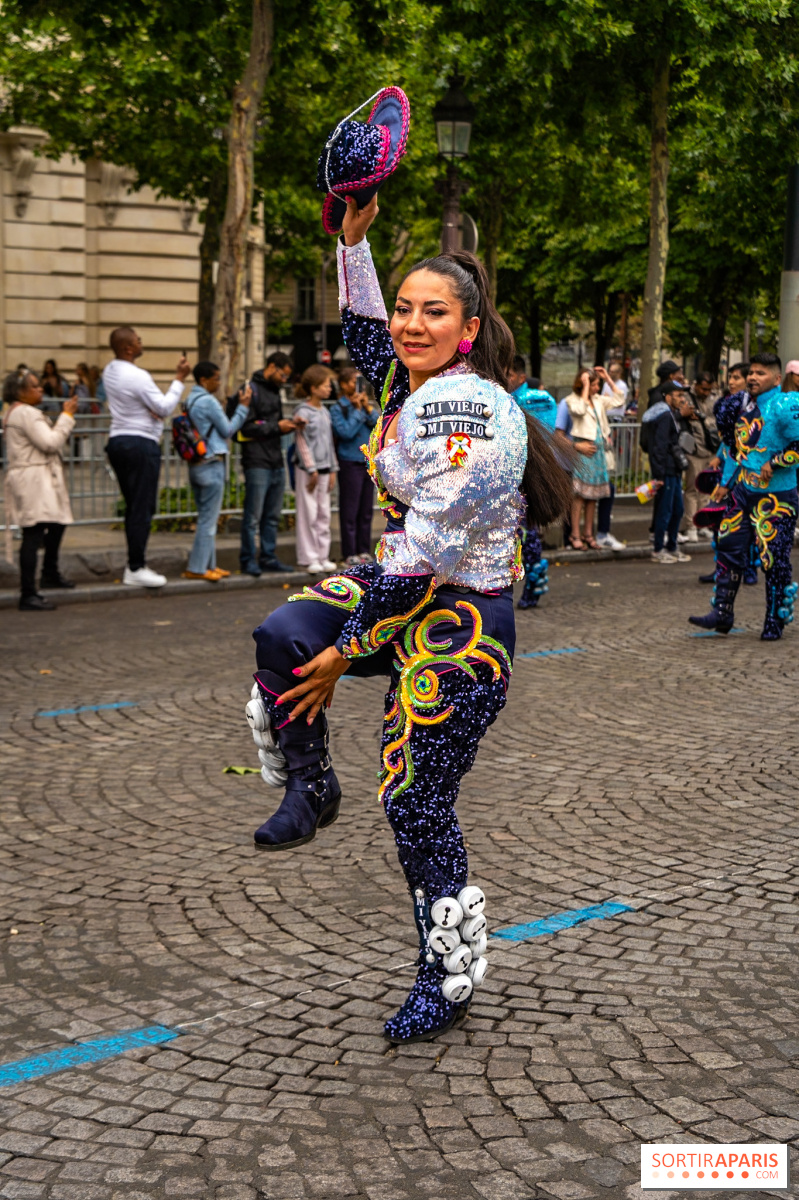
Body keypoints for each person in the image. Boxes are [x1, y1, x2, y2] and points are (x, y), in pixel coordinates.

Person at [246, 192, 570, 1045]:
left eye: (433, 312)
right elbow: (366, 337)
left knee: (416, 802)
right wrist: (352, 243)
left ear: (468, 330)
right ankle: (311, 785)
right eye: (404, 308)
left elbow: (426, 552)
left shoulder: (470, 409)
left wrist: (349, 649)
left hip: (459, 620)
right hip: (398, 583)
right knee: (282, 637)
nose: (409, 324)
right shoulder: (404, 381)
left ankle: (447, 973)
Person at [689, 353, 799, 639]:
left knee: (773, 559)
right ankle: (722, 612)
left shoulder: (787, 404)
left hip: (776, 499)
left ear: (777, 378)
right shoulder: (740, 406)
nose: (752, 377)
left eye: (761, 373)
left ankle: (774, 619)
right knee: (728, 547)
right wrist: (726, 483)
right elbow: (735, 451)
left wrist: (775, 462)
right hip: (742, 492)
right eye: (751, 372)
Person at [103, 326, 191, 587]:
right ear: (128, 348)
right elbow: (164, 407)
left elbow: (141, 404)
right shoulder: (137, 375)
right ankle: (136, 567)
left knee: (134, 506)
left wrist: (148, 409)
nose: (142, 343)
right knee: (142, 507)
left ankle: (135, 564)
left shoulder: (110, 371)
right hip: (140, 443)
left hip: (118, 440)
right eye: (138, 341)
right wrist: (179, 378)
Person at [2, 370, 78, 610]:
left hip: (34, 477)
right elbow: (50, 442)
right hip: (34, 479)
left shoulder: (16, 412)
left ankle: (49, 573)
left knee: (57, 523)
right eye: (35, 386)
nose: (40, 389)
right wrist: (66, 416)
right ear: (20, 391)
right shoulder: (26, 413)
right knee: (33, 534)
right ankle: (28, 593)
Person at [181, 362, 251, 582]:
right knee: (208, 521)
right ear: (204, 380)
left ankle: (209, 565)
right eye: (216, 378)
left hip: (196, 463)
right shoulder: (209, 401)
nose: (219, 383)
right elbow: (227, 429)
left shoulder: (190, 400)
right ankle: (197, 567)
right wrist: (243, 407)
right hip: (212, 463)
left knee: (206, 517)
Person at [237, 351, 301, 576]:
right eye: (283, 375)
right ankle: (248, 560)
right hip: (256, 460)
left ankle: (268, 557)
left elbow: (270, 424)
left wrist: (287, 425)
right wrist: (277, 427)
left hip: (275, 459)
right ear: (272, 366)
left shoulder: (274, 390)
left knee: (272, 516)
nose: (284, 380)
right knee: (253, 517)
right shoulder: (250, 389)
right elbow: (246, 427)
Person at [506, 356, 556, 607]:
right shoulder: (541, 398)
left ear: (521, 377)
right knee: (526, 528)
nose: (504, 379)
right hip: (530, 472)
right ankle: (533, 583)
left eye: (508, 374)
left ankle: (532, 583)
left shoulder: (521, 401)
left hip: (525, 473)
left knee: (526, 530)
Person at [564, 367, 624, 550]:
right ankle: (575, 534)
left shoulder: (598, 400)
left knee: (593, 497)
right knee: (579, 496)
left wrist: (608, 379)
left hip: (598, 453)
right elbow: (580, 410)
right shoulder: (572, 400)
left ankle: (588, 534)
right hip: (584, 453)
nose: (597, 388)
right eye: (594, 384)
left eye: (598, 384)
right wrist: (585, 386)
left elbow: (619, 400)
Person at [330, 366, 379, 566]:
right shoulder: (338, 408)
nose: (358, 386)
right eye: (353, 382)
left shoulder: (365, 405)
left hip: (366, 461)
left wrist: (366, 407)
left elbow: (378, 425)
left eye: (360, 381)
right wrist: (357, 411)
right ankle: (349, 552)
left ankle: (363, 550)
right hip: (349, 461)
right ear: (343, 385)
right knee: (350, 509)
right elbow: (345, 432)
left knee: (366, 509)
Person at [293, 365, 338, 573]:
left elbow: (329, 443)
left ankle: (322, 555)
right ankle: (309, 557)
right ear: (313, 388)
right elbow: (301, 442)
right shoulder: (303, 412)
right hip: (308, 471)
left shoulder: (324, 411)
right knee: (308, 514)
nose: (329, 388)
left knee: (323, 514)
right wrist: (311, 468)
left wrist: (333, 468)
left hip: (325, 469)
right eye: (325, 385)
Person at [645, 381, 693, 564]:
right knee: (665, 511)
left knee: (677, 509)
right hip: (666, 470)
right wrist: (659, 474)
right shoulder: (665, 416)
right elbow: (660, 446)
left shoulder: (672, 415)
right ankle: (658, 549)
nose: (682, 399)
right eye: (678, 395)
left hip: (674, 469)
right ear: (668, 396)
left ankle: (672, 546)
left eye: (683, 395)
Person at [681, 372, 720, 542]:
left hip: (710, 450)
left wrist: (705, 419)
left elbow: (717, 419)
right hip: (694, 451)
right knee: (692, 490)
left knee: (706, 489)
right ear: (696, 385)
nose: (706, 392)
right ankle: (691, 525)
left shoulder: (714, 398)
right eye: (703, 389)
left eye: (709, 389)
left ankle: (703, 524)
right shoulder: (686, 397)